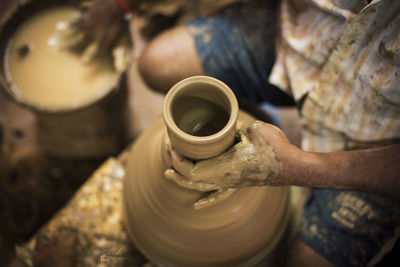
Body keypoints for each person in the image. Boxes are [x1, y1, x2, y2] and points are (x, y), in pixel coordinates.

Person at [73, 0, 400, 266]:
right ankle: (258, 114)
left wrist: (291, 167)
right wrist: (123, 3)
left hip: (376, 137)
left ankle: (263, 127)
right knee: (157, 62)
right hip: (307, 39)